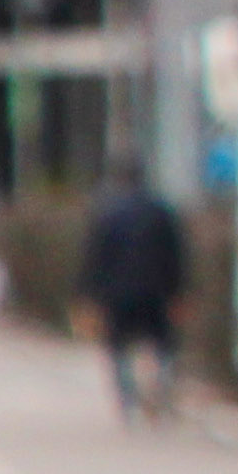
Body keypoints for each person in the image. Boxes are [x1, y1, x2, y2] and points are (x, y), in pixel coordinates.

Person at [83, 165, 191, 420]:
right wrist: (179, 292)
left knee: (118, 345)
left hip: (117, 293)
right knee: (162, 344)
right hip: (157, 291)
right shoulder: (162, 213)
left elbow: (96, 257)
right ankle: (159, 391)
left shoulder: (107, 214)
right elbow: (175, 256)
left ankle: (128, 399)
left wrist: (89, 294)